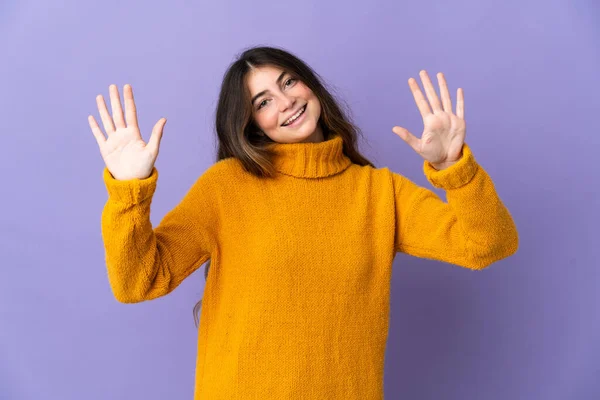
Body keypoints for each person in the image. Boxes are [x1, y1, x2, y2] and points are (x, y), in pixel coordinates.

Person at [88, 45, 519, 399]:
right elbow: (137, 282)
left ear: (309, 84)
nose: (286, 102)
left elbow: (487, 244)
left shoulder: (378, 192)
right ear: (250, 122)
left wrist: (454, 169)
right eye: (263, 102)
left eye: (288, 82)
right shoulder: (227, 186)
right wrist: (129, 189)